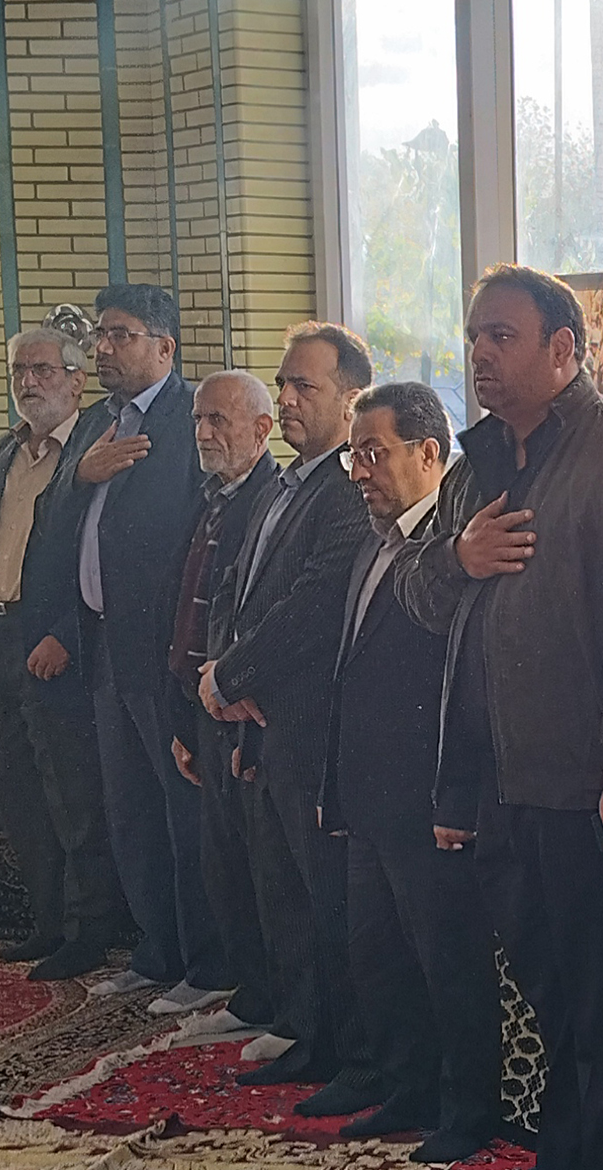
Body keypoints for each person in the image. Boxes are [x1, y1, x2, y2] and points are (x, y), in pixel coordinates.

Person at [394, 264, 603, 1170]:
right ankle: (566, 1152)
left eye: (502, 336)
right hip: (500, 779)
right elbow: (420, 599)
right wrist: (457, 558)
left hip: (586, 781)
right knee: (545, 983)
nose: (480, 353)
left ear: (565, 349)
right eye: (475, 335)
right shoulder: (477, 464)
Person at [323, 381, 503, 1159]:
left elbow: (467, 679)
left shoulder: (457, 545)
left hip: (430, 797)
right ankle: (407, 1089)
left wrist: (455, 794)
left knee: (446, 961)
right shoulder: (374, 539)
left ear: (430, 452)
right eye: (352, 455)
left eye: (375, 452)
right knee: (378, 954)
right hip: (367, 794)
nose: (360, 471)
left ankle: (467, 1110)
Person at [203, 324, 374, 1103]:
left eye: (306, 385)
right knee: (282, 890)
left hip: (310, 724)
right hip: (261, 716)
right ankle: (305, 1029)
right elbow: (241, 592)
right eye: (284, 383)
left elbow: (312, 606)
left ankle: (337, 1046)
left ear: (351, 398)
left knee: (318, 892)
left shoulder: (345, 489)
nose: (289, 398)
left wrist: (233, 673)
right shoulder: (284, 484)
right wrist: (223, 679)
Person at [0, 325, 130, 981]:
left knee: (71, 790)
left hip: (54, 637)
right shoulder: (2, 451)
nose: (28, 382)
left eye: (43, 370)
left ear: (78, 381)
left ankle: (87, 932)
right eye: (19, 370)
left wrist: (64, 633)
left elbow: (97, 552)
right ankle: (47, 923)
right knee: (17, 788)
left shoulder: (94, 446)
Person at [72, 283, 231, 1016]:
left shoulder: (191, 417)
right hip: (104, 647)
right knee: (129, 809)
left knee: (181, 814)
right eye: (100, 335)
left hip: (165, 654)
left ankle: (207, 963)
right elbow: (61, 519)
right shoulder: (94, 423)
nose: (104, 348)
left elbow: (200, 536)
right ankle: (156, 951)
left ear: (165, 347)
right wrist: (82, 475)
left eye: (121, 335)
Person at [167, 371, 281, 1038]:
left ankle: (271, 999)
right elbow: (186, 608)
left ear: (263, 429)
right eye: (198, 419)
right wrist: (184, 714)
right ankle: (249, 991)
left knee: (256, 865)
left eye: (219, 420)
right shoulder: (208, 497)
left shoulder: (271, 498)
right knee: (221, 862)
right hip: (201, 704)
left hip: (244, 707)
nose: (204, 433)